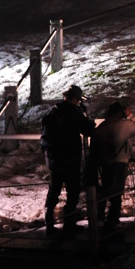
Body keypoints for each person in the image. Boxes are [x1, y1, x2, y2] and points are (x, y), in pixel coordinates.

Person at [40, 84, 95, 235]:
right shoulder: (73, 113)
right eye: (78, 100)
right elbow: (88, 130)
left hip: (54, 159)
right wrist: (86, 117)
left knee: (54, 189)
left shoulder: (53, 112)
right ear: (74, 99)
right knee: (73, 190)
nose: (79, 103)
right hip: (70, 158)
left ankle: (49, 222)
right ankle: (69, 223)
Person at [89, 99, 135, 233]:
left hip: (104, 162)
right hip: (119, 162)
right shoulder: (122, 125)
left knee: (106, 187)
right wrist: (130, 115)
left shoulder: (102, 126)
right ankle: (113, 221)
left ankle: (100, 218)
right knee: (117, 191)